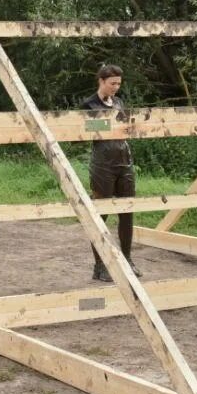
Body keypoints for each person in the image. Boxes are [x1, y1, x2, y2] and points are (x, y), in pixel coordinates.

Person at [84, 64, 139, 281]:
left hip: (124, 160)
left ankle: (127, 260)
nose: (115, 87)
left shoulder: (119, 102)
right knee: (101, 214)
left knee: (127, 212)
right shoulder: (89, 104)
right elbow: (92, 129)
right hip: (102, 163)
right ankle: (100, 266)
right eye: (112, 83)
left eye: (118, 83)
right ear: (101, 81)